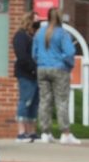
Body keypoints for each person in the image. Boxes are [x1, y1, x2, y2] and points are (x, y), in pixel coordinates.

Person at [33, 8, 81, 145]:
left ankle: (45, 133)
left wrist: (42, 61)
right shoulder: (62, 33)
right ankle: (65, 133)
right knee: (61, 101)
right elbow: (69, 52)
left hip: (42, 69)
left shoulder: (39, 33)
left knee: (44, 101)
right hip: (59, 69)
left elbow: (34, 54)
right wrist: (68, 65)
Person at [13, 13, 40, 143]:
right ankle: (21, 132)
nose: (38, 23)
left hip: (35, 74)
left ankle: (31, 131)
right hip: (25, 74)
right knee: (25, 101)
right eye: (36, 20)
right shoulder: (20, 36)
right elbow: (22, 56)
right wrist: (32, 68)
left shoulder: (33, 36)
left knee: (34, 103)